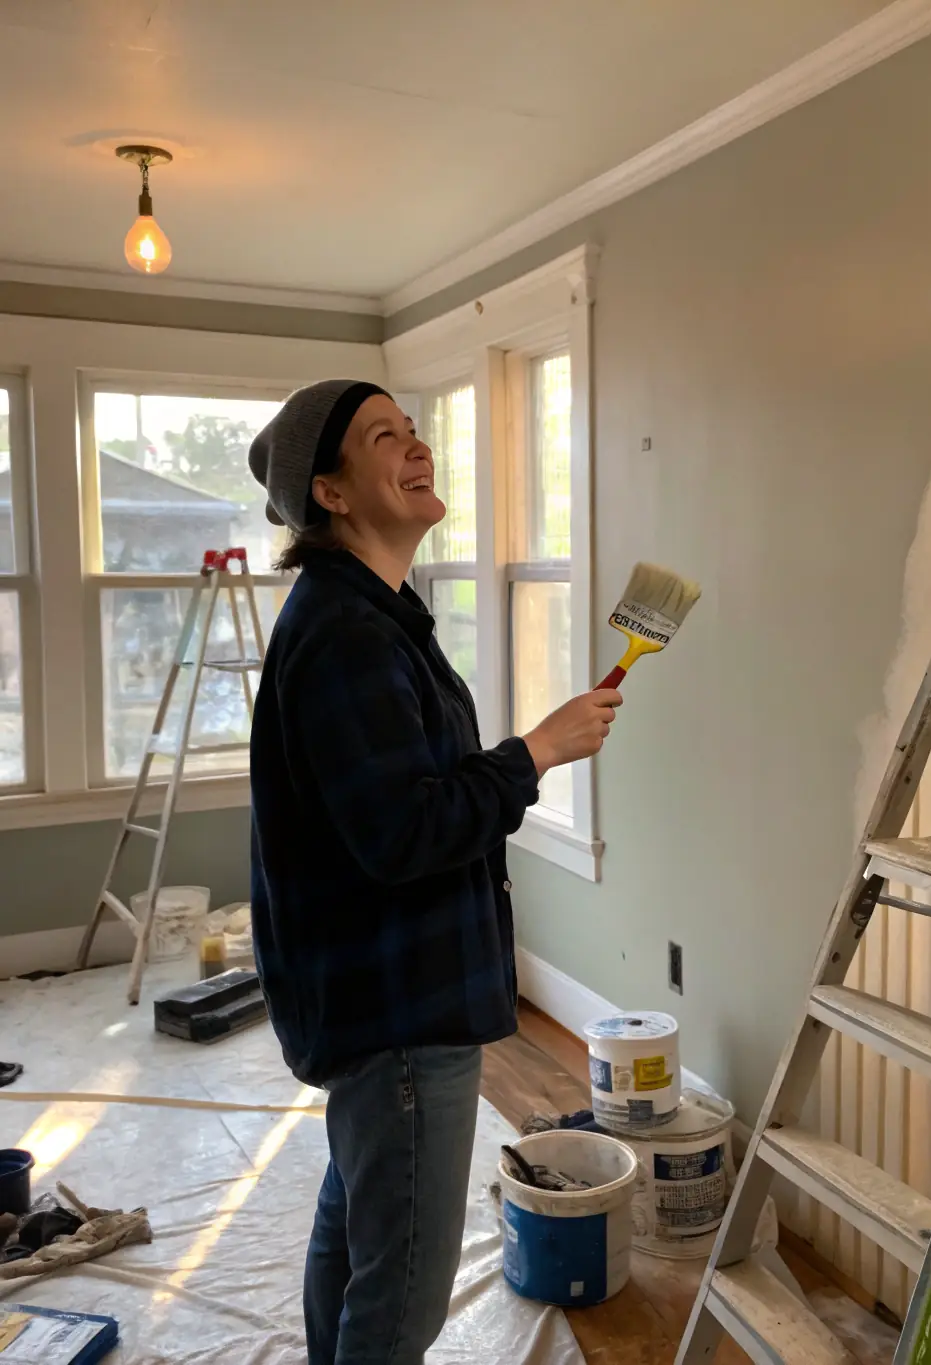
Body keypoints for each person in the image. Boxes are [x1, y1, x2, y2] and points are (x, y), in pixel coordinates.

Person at [247, 379, 621, 1365]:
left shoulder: (375, 615)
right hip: (398, 1008)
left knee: (360, 1221)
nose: (417, 448)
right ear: (328, 492)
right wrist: (535, 751)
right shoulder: (346, 635)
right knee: (405, 1289)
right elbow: (405, 833)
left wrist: (523, 754)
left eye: (413, 431)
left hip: (379, 998)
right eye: (384, 437)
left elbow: (406, 797)